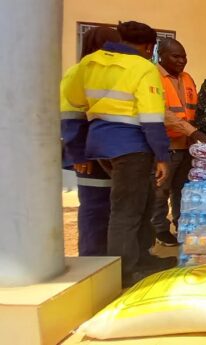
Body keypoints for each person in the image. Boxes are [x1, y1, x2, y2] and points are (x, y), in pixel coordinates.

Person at [62, 21, 176, 287]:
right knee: (126, 211)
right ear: (150, 47)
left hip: (99, 142)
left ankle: (143, 259)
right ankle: (125, 271)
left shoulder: (89, 64)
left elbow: (73, 106)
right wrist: (162, 156)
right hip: (132, 146)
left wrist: (77, 149)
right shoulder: (143, 68)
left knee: (141, 203)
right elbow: (150, 117)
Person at [61, 26, 120, 256]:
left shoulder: (114, 75)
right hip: (90, 155)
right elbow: (70, 116)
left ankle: (109, 259)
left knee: (113, 209)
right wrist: (78, 154)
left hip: (114, 154)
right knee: (95, 208)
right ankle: (92, 258)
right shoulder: (78, 72)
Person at [151, 38, 206, 246]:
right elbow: (162, 112)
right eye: (176, 56)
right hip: (165, 145)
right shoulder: (153, 77)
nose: (181, 61)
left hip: (187, 145)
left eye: (184, 56)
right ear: (161, 55)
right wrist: (192, 131)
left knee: (182, 189)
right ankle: (159, 229)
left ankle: (180, 223)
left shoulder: (187, 78)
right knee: (160, 190)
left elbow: (196, 110)